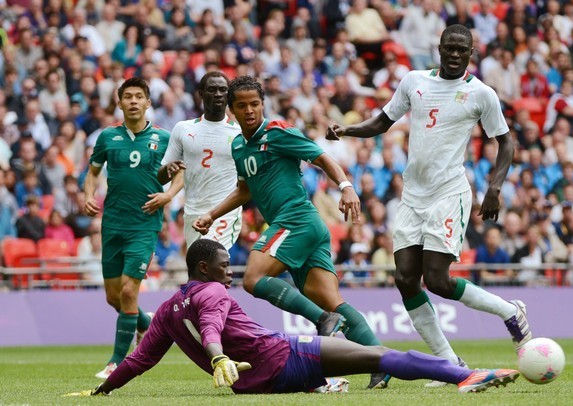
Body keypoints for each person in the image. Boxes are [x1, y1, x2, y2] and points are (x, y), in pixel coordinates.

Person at [326, 25, 532, 387]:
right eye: (450, 48)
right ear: (439, 48)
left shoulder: (480, 94)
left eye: (462, 50)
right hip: (413, 195)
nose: (455, 54)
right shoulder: (413, 81)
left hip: (448, 193)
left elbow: (506, 142)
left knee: (436, 280)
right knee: (405, 278)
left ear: (471, 52)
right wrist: (347, 129)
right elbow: (384, 121)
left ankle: (510, 311)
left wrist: (495, 189)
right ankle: (449, 363)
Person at [64, 239, 520, 397]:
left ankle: (324, 384)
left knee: (352, 365)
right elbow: (211, 325)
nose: (230, 269)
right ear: (204, 268)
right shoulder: (213, 292)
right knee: (378, 354)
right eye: (224, 264)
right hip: (283, 355)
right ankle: (465, 375)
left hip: (254, 382)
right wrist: (218, 354)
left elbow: (140, 359)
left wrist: (103, 389)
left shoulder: (165, 309)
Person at [193, 76, 389, 389]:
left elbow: (321, 156)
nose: (249, 111)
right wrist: (211, 214)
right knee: (332, 302)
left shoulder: (278, 132)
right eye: (241, 105)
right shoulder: (238, 145)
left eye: (254, 104)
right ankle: (382, 362)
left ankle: (323, 321)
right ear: (231, 110)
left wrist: (347, 186)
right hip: (305, 226)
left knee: (253, 279)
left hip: (295, 219)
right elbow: (245, 189)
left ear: (262, 105)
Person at [84, 77, 181, 379]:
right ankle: (145, 323)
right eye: (128, 97)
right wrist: (88, 195)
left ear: (148, 102)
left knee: (129, 290)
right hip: (112, 224)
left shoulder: (164, 138)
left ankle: (116, 361)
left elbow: (180, 173)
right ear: (120, 102)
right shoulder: (107, 137)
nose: (134, 101)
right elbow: (92, 172)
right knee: (114, 297)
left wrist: (169, 194)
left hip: (144, 225)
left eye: (140, 96)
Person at [157, 71, 243, 249]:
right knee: (198, 269)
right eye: (212, 89)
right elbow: (160, 177)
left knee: (211, 256)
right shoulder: (183, 129)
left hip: (223, 213)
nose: (218, 94)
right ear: (201, 94)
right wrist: (168, 170)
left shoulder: (240, 133)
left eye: (223, 90)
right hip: (192, 213)